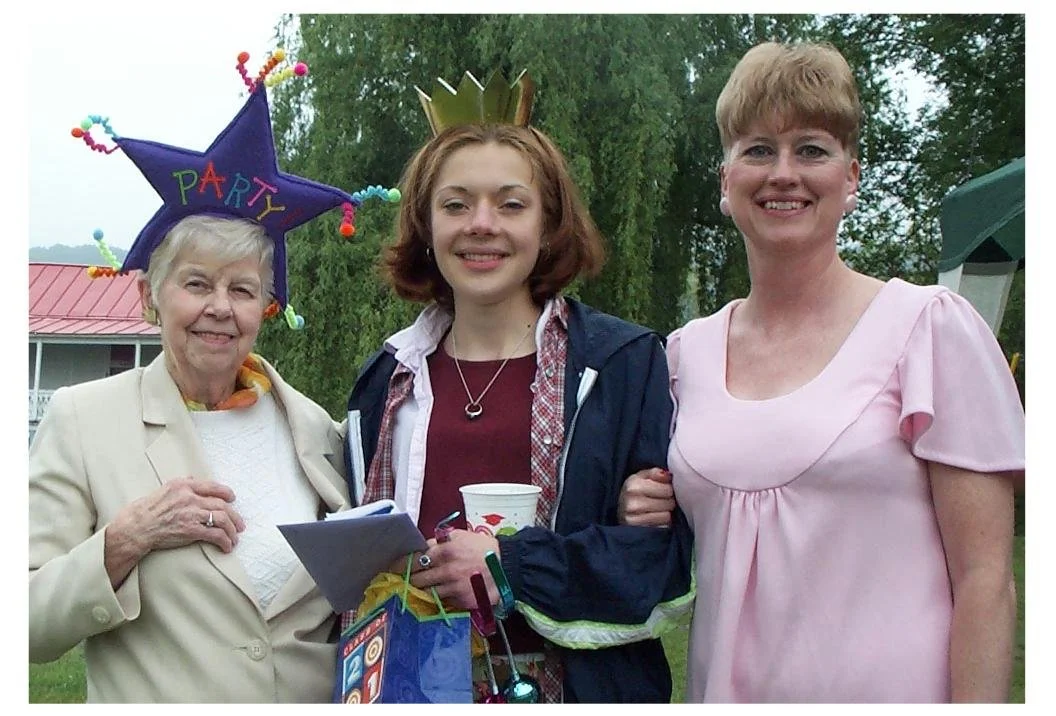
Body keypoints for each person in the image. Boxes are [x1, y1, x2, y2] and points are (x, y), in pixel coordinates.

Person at [622, 41, 1024, 702]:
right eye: (758, 150)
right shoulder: (682, 356)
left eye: (811, 149)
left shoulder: (928, 330)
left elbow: (986, 578)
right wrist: (644, 498)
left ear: (852, 178)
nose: (784, 173)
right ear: (726, 181)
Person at [29, 50, 397, 702]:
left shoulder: (315, 430)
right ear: (151, 296)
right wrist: (126, 538)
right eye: (196, 284)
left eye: (242, 289)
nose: (220, 308)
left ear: (266, 307)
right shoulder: (83, 420)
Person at [344, 70, 694, 703]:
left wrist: (512, 569)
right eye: (455, 204)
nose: (483, 224)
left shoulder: (621, 365)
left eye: (511, 203)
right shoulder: (386, 378)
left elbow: (657, 569)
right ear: (426, 224)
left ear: (547, 222)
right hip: (410, 686)